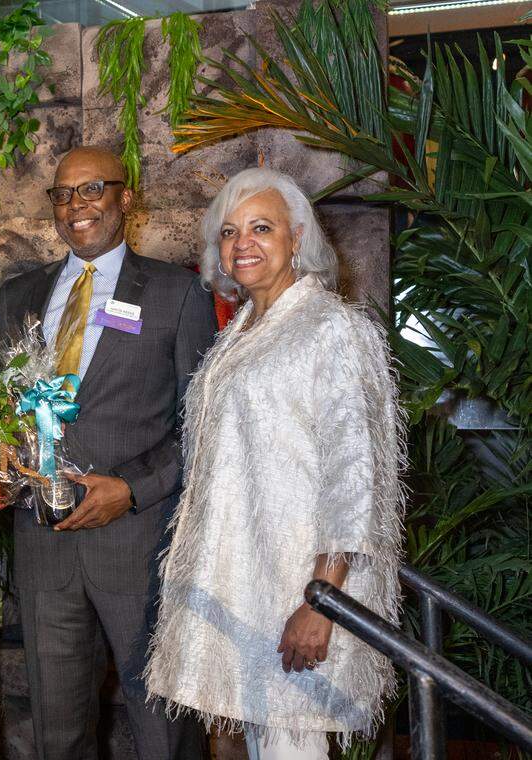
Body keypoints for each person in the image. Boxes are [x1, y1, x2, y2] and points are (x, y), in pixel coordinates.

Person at [143, 168, 404, 760]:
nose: (243, 244)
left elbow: (356, 477)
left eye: (261, 228)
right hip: (243, 587)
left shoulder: (332, 328)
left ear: (298, 236)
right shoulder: (240, 332)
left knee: (293, 742)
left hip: (297, 591)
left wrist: (321, 602)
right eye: (230, 232)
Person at [0, 145, 215, 760]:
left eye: (92, 189)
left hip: (138, 544)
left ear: (126, 198)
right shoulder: (20, 296)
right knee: (57, 734)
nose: (76, 205)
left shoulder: (178, 294)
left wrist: (131, 489)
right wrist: (3, 445)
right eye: (63, 194)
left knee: (162, 729)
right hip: (44, 547)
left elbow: (204, 426)